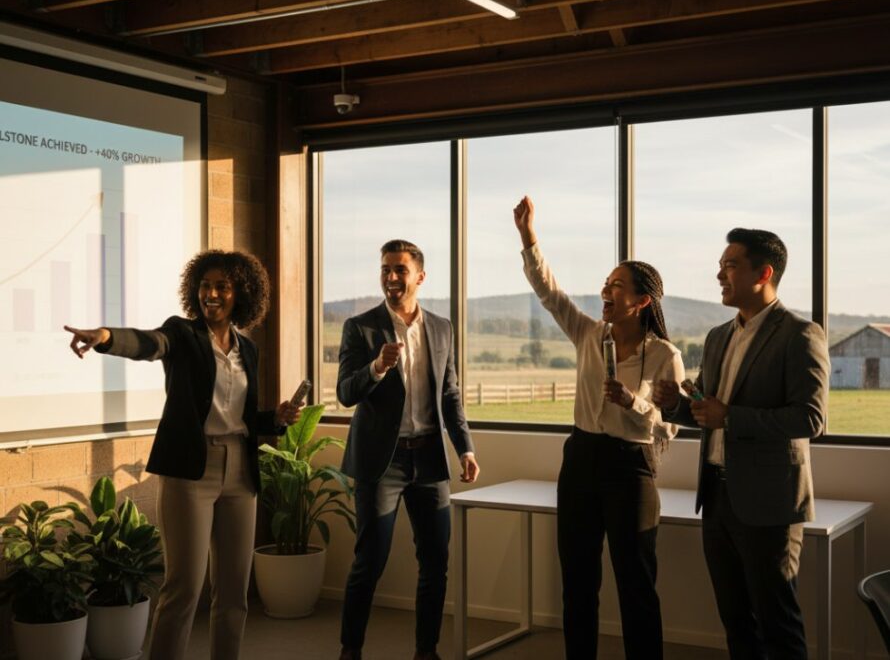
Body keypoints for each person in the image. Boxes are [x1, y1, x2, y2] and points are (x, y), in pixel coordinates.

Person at [64, 250, 301, 660]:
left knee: (233, 594)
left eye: (222, 286)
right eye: (205, 285)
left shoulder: (248, 348)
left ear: (240, 293)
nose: (211, 293)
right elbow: (149, 343)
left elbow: (238, 417)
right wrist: (105, 336)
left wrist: (274, 418)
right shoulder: (182, 334)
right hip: (191, 472)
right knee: (184, 590)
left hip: (240, 474)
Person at [513, 196, 684, 660]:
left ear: (642, 300)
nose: (606, 292)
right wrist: (529, 238)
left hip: (632, 468)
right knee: (579, 582)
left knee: (636, 586)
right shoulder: (589, 334)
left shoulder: (666, 355)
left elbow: (669, 429)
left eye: (617, 287)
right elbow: (550, 293)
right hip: (582, 459)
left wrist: (634, 403)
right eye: (606, 284)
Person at [654, 228, 830, 659]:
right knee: (735, 621)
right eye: (721, 266)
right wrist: (677, 404)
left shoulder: (800, 334)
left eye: (730, 266)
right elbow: (707, 411)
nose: (719, 275)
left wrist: (729, 416)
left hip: (769, 504)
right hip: (716, 497)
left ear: (763, 273)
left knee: (778, 624)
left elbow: (811, 418)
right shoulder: (718, 336)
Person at [336, 239, 480, 660]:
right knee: (370, 561)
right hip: (382, 463)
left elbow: (450, 395)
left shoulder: (441, 327)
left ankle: (426, 651)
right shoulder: (359, 327)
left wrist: (465, 449)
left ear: (420, 276)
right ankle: (351, 650)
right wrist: (377, 367)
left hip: (430, 460)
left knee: (436, 563)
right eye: (385, 269)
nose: (391, 277)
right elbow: (346, 393)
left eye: (400, 270)